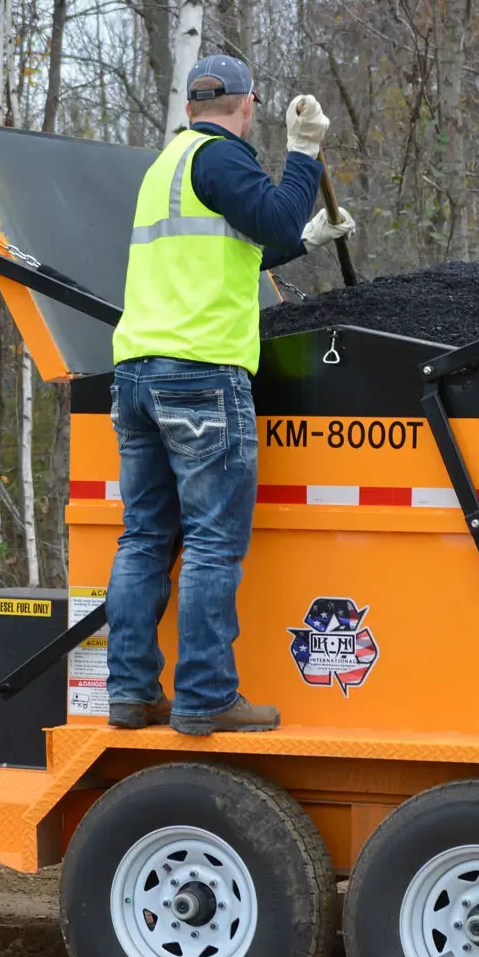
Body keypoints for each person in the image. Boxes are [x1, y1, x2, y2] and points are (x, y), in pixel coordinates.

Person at [104, 55, 355, 736]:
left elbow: (237, 247)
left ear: (192, 105)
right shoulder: (220, 158)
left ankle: (129, 693)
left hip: (137, 374)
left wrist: (304, 240)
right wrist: (303, 153)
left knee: (145, 540)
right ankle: (207, 697)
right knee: (213, 545)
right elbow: (270, 218)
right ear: (246, 106)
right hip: (200, 373)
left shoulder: (169, 168)